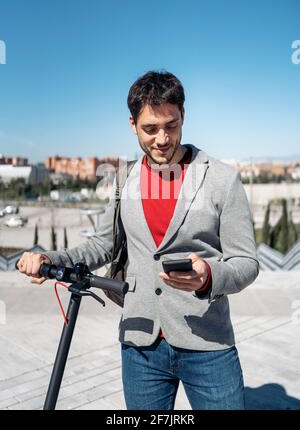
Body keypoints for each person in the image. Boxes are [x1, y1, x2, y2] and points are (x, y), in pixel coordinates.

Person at [17, 70, 259, 410]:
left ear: (183, 116)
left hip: (208, 344)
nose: (162, 139)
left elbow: (246, 263)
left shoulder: (221, 179)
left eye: (171, 126)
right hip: (140, 342)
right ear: (132, 124)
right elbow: (102, 245)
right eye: (150, 129)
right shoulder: (122, 178)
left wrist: (209, 276)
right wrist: (51, 260)